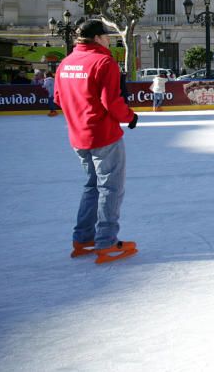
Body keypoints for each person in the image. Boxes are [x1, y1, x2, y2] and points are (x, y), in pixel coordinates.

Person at [53, 19, 139, 264]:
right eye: (107, 35)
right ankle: (107, 241)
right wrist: (130, 117)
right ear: (98, 38)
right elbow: (111, 102)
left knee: (91, 186)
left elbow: (59, 98)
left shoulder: (65, 63)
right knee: (110, 188)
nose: (109, 39)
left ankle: (82, 239)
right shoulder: (103, 62)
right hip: (103, 135)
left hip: (77, 135)